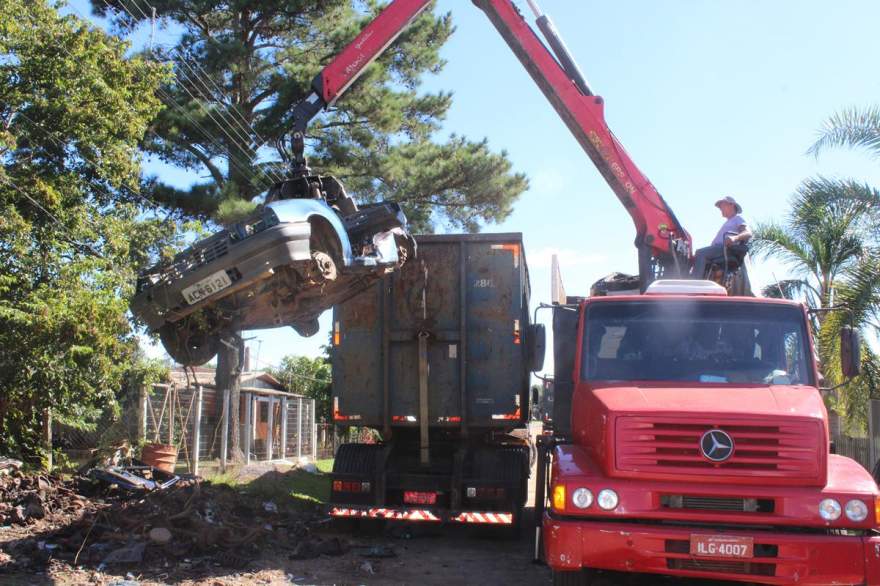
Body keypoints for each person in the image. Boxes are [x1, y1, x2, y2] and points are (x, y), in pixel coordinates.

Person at [691, 196, 753, 278]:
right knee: (694, 258)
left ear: (731, 205)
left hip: (725, 249)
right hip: (720, 249)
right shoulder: (729, 222)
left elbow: (748, 233)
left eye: (722, 205)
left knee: (700, 253)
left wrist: (734, 238)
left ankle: (694, 282)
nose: (720, 208)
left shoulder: (737, 219)